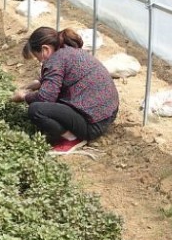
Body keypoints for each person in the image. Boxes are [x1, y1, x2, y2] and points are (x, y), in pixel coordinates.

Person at [10, 26, 119, 154]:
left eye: (37, 56)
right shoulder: (68, 50)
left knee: (36, 110)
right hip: (108, 114)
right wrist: (37, 83)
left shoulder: (55, 61)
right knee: (56, 99)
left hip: (93, 125)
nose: (39, 61)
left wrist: (23, 97)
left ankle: (71, 139)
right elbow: (61, 77)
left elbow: (45, 99)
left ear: (45, 49)